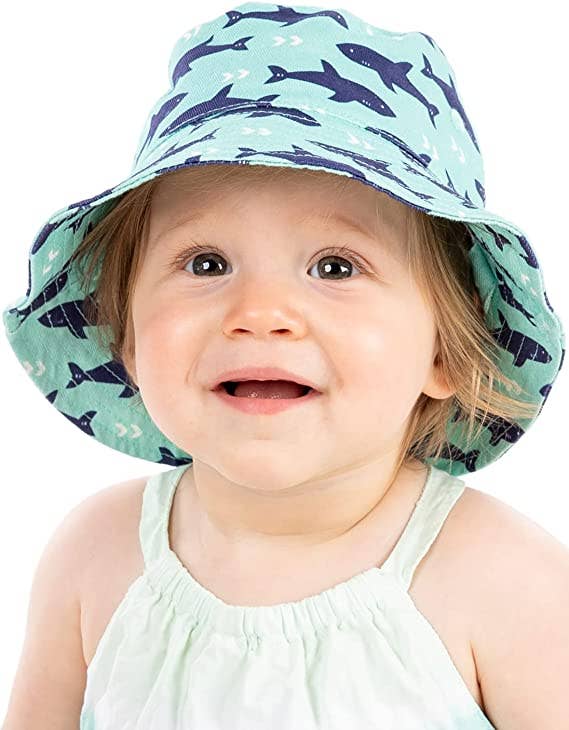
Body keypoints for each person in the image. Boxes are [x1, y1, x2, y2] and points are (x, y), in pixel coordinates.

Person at [2, 2, 567, 728]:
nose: (261, 312)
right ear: (129, 339)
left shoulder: (507, 584)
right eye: (206, 263)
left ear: (445, 348)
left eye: (335, 266)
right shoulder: (93, 558)